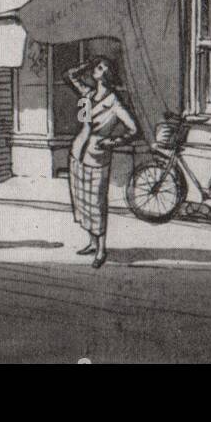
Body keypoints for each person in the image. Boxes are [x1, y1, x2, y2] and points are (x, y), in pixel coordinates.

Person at [65, 56, 139, 269]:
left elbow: (134, 129)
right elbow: (69, 75)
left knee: (97, 203)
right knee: (82, 200)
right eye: (98, 67)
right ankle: (91, 242)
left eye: (103, 68)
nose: (99, 71)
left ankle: (101, 249)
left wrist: (112, 142)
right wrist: (87, 65)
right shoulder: (88, 94)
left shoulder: (113, 101)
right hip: (79, 152)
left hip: (97, 156)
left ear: (109, 75)